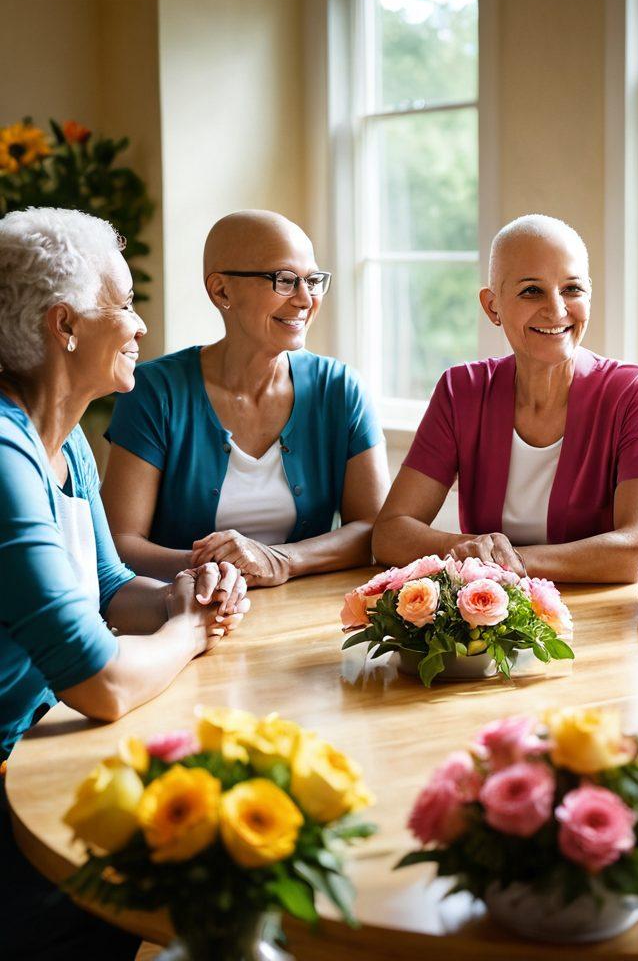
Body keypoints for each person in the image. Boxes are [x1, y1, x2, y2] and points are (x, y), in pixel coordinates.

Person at [0, 208, 248, 959]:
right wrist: (190, 630)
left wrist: (187, 593)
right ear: (64, 325)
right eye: (125, 303)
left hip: (43, 749)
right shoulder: (5, 456)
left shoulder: (66, 438)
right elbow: (100, 681)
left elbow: (109, 588)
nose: (141, 325)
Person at [372, 214, 638, 582]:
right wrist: (463, 548)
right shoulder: (461, 390)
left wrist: (501, 562)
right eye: (532, 290)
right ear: (492, 305)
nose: (557, 309)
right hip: (487, 624)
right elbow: (389, 533)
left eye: (572, 289)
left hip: (601, 622)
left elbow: (636, 549)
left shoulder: (637, 393)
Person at [101, 210, 389, 586]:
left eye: (313, 280)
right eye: (284, 280)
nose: (305, 299)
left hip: (308, 616)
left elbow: (374, 530)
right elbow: (119, 544)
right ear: (222, 290)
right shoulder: (155, 391)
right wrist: (219, 571)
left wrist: (279, 561)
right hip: (189, 615)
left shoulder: (341, 388)